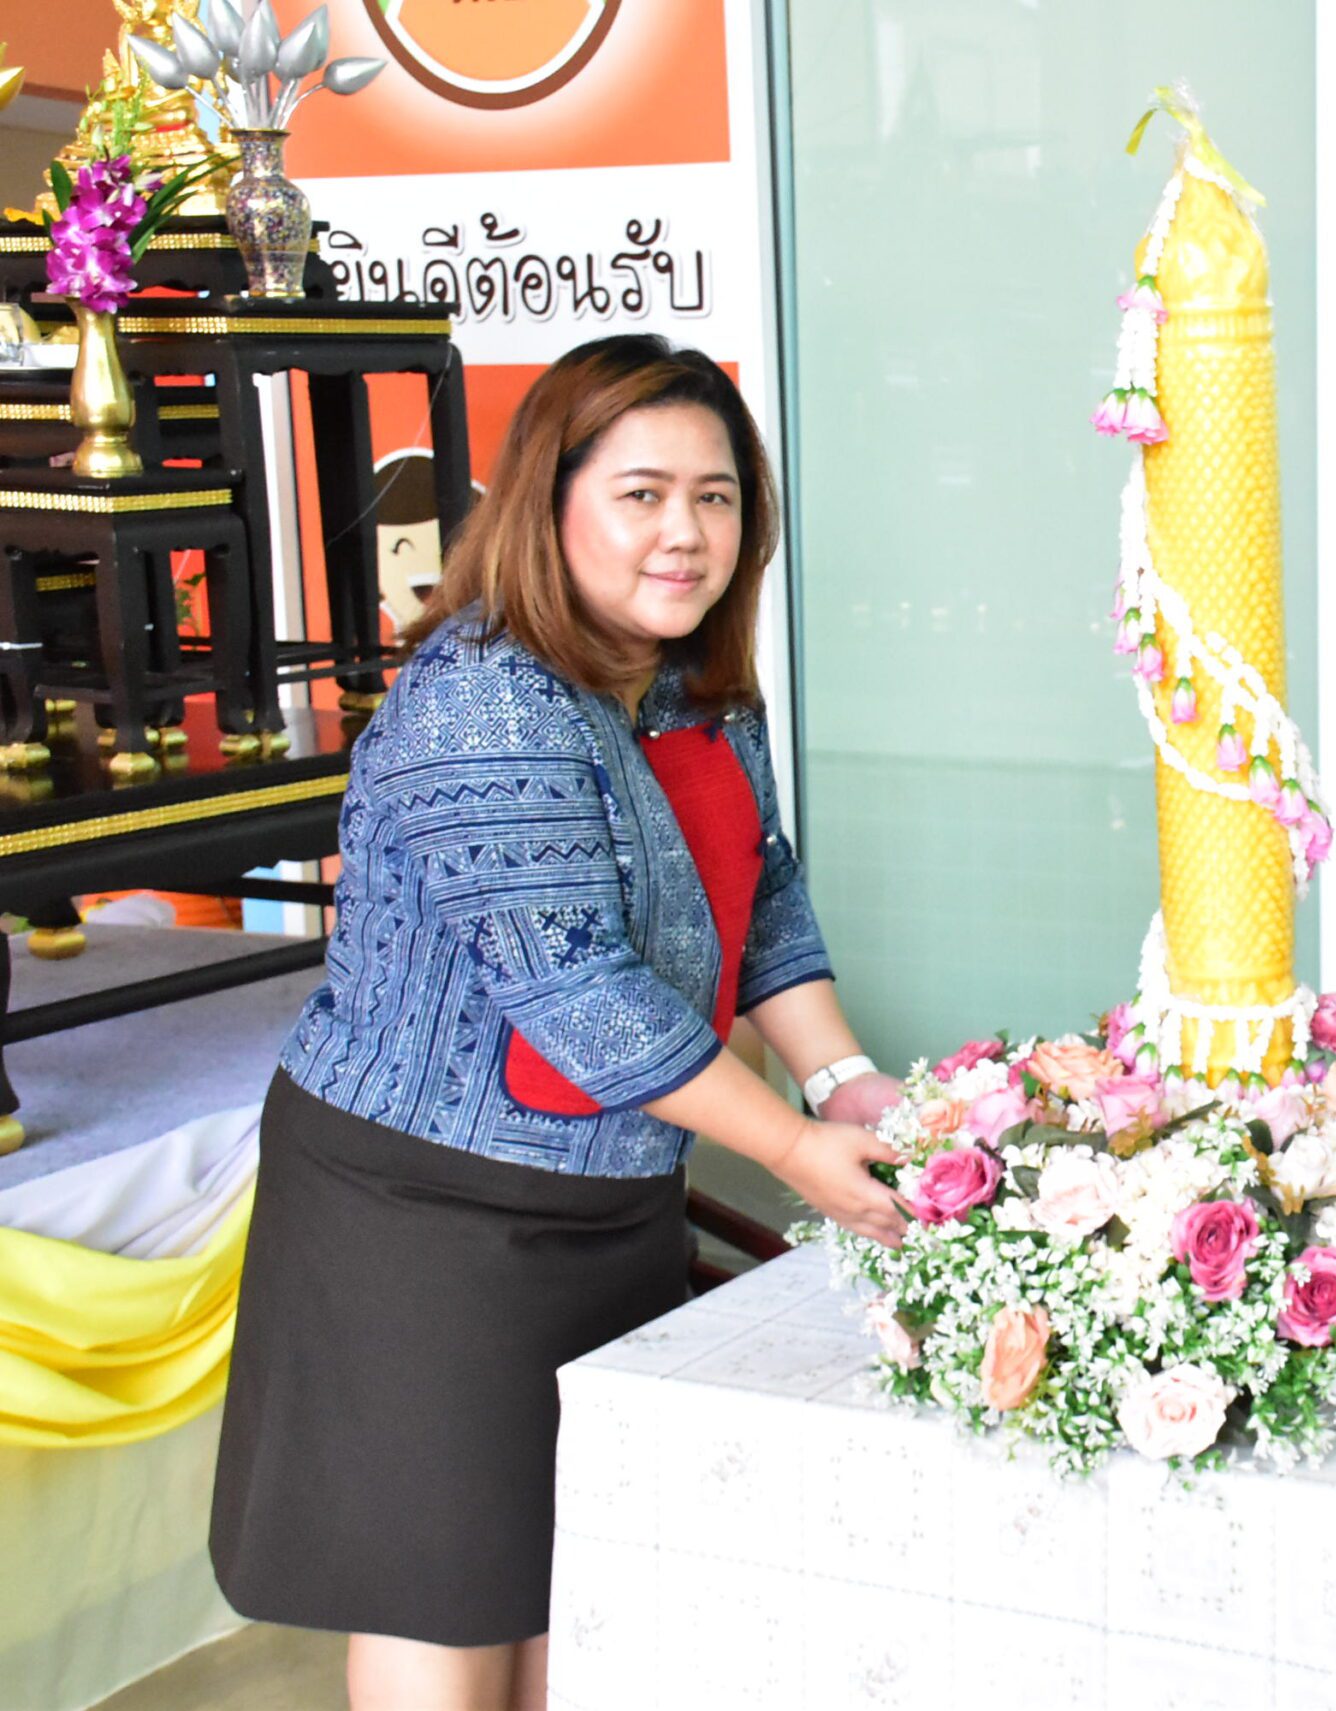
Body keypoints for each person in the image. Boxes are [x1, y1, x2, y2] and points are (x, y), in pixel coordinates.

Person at [211, 335, 909, 1711]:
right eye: (642, 493)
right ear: (551, 500)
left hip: (608, 1193)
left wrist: (845, 1080)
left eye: (716, 497)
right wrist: (789, 1148)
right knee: (443, 1588)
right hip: (427, 1213)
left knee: (565, 1576)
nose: (685, 532)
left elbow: (762, 895)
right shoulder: (484, 693)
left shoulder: (693, 683)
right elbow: (572, 988)